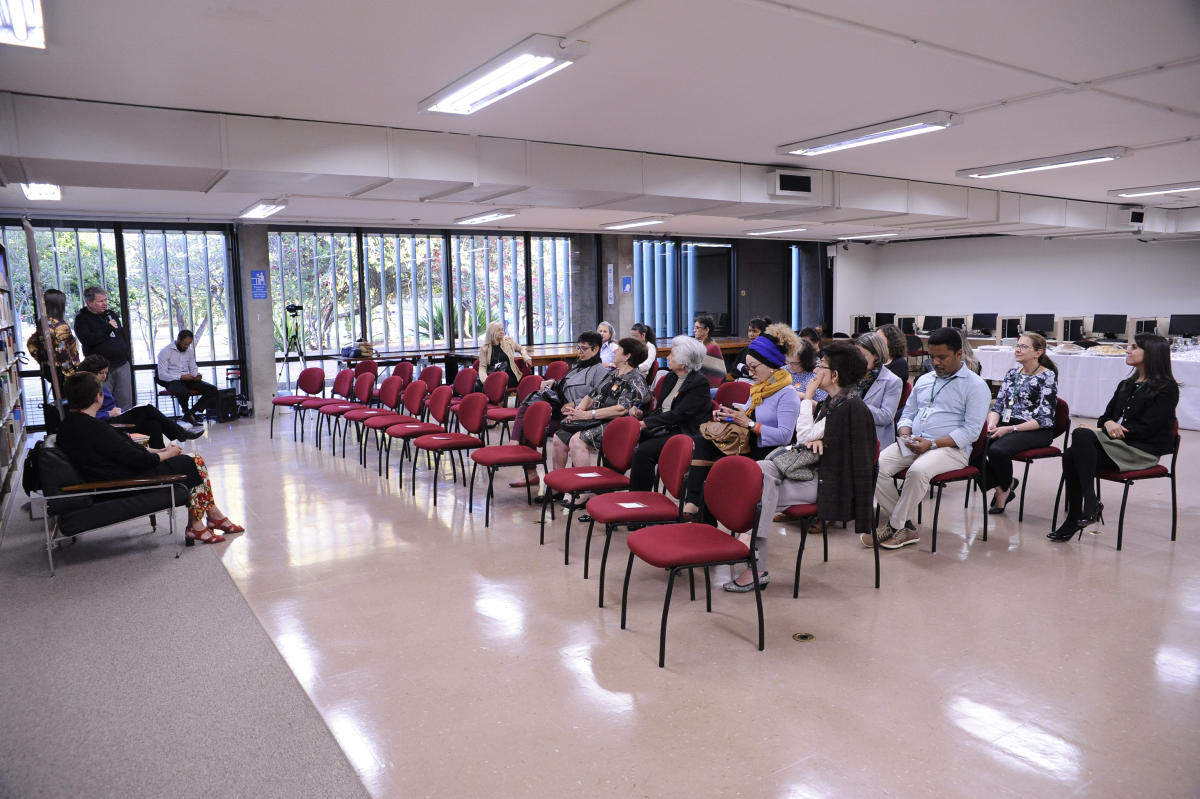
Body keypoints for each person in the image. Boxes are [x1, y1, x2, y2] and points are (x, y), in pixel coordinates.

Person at [731, 341, 876, 591]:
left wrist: (808, 398)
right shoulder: (836, 401)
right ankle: (750, 549)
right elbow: (807, 438)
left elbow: (810, 440)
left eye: (822, 365)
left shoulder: (852, 408)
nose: (816, 369)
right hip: (810, 471)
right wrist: (817, 438)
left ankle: (756, 565)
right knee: (759, 469)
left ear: (834, 375)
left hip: (827, 481)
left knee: (758, 494)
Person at [55, 371, 242, 544]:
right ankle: (200, 523)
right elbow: (138, 460)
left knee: (192, 459)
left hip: (113, 474)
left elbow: (122, 452)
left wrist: (158, 451)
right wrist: (168, 454)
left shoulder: (70, 426)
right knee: (192, 462)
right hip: (124, 481)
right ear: (98, 397)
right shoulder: (94, 428)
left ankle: (207, 519)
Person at [1049, 333, 1179, 542]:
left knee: (1079, 440)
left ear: (1152, 353)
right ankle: (1082, 511)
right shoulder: (1126, 384)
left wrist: (1104, 431)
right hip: (1117, 446)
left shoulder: (1167, 388)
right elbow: (1105, 418)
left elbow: (1148, 428)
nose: (1128, 350)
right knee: (1072, 454)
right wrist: (1107, 424)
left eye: (1134, 347)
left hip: (1140, 451)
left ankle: (1086, 508)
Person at [873, 327, 991, 549]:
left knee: (918, 471)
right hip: (915, 442)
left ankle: (894, 524)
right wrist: (905, 432)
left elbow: (971, 432)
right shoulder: (925, 380)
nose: (935, 362)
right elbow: (907, 413)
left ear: (959, 354)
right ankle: (905, 526)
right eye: (932, 357)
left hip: (951, 450)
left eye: (942, 357)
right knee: (877, 466)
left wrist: (933, 443)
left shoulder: (975, 386)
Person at [684, 323, 801, 516]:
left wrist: (749, 423)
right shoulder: (759, 386)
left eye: (754, 367)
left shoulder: (787, 393)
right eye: (748, 367)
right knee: (701, 441)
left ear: (771, 365)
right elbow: (747, 412)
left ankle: (700, 512)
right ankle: (693, 502)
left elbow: (785, 436)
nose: (750, 372)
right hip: (747, 440)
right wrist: (729, 415)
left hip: (766, 450)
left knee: (716, 469)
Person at [508, 331, 609, 489]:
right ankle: (532, 472)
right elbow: (565, 383)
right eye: (578, 347)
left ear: (595, 349)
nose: (579, 352)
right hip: (559, 409)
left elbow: (599, 398)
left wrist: (574, 404)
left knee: (533, 425)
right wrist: (553, 382)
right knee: (530, 414)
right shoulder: (578, 366)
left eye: (583, 348)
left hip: (575, 415)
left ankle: (547, 478)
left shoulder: (600, 371)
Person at [980, 334, 1059, 514]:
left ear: (1038, 352)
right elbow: (998, 405)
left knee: (997, 450)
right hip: (1007, 425)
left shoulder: (1047, 376)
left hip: (1035, 429)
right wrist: (992, 424)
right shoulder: (1012, 373)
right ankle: (1003, 487)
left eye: (1024, 347)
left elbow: (1044, 418)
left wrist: (1009, 429)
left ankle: (1004, 489)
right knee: (972, 447)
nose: (1017, 349)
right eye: (1017, 346)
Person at [628, 336, 713, 491]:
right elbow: (662, 409)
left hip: (685, 430)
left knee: (644, 452)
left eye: (671, 355)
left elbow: (679, 414)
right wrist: (643, 415)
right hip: (668, 425)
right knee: (631, 440)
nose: (667, 357)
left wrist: (647, 423)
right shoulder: (671, 377)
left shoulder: (699, 383)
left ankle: (640, 497)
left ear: (683, 362)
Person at [550, 337, 647, 473]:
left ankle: (585, 491)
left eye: (618, 349)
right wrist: (578, 411)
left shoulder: (636, 379)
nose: (614, 352)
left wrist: (587, 414)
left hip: (616, 422)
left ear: (627, 356)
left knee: (577, 441)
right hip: (594, 417)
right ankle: (558, 488)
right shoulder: (613, 373)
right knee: (559, 438)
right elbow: (591, 395)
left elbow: (621, 409)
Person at [77, 354, 204, 447]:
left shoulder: (99, 385)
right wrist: (108, 414)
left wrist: (117, 411)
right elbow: (84, 416)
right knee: (147, 409)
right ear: (91, 372)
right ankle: (180, 433)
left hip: (115, 417)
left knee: (154, 424)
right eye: (101, 373)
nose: (104, 376)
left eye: (106, 373)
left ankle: (159, 462)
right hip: (107, 423)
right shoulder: (86, 389)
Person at [74, 286, 133, 411]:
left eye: (106, 300)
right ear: (89, 303)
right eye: (100, 301)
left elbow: (121, 334)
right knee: (104, 403)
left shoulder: (110, 314)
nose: (105, 303)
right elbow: (88, 340)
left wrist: (126, 352)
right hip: (100, 369)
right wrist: (107, 328)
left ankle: (127, 428)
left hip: (121, 364)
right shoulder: (82, 319)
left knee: (125, 401)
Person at [157, 329, 219, 425]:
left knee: (213, 390)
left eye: (189, 344)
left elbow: (193, 367)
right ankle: (188, 414)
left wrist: (196, 375)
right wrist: (181, 377)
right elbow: (162, 375)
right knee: (183, 392)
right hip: (172, 380)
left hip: (188, 379)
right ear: (178, 339)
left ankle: (190, 414)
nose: (187, 347)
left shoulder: (189, 351)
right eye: (185, 344)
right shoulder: (165, 352)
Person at [854, 332, 904, 450]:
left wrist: (856, 404)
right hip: (851, 433)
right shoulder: (853, 375)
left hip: (875, 439)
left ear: (876, 355)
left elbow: (886, 417)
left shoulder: (892, 381)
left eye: (862, 356)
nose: (857, 360)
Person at [26, 288, 80, 386]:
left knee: (57, 398)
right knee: (67, 399)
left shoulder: (43, 323)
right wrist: (70, 372)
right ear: (58, 305)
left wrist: (43, 360)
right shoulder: (60, 326)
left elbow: (31, 344)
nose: (66, 305)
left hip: (49, 368)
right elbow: (62, 350)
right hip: (62, 370)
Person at [477, 321, 533, 389]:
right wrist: (485, 380)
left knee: (497, 384)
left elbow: (521, 348)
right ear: (491, 332)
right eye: (498, 330)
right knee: (479, 385)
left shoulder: (508, 342)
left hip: (510, 375)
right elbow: (482, 367)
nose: (502, 332)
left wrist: (525, 356)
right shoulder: (484, 348)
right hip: (493, 376)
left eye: (502, 329)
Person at [693, 314, 726, 387]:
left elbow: (696, 367)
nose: (694, 330)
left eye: (697, 328)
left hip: (707, 387)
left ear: (706, 330)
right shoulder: (698, 343)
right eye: (694, 327)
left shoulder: (712, 347)